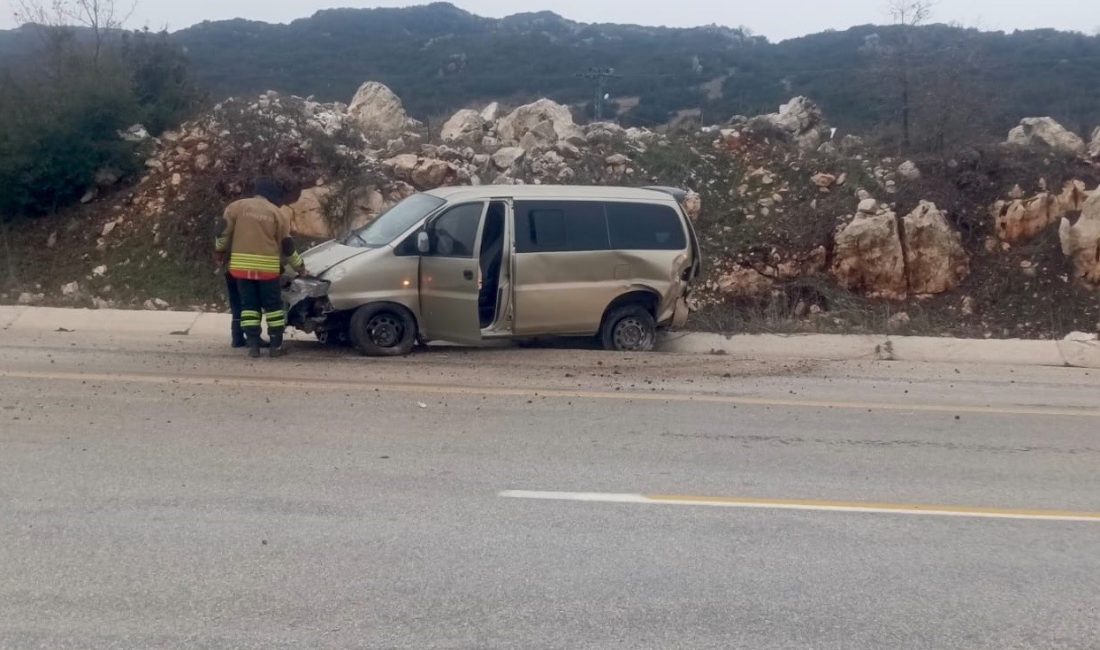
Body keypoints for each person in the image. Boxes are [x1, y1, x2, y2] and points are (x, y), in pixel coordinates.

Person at [214, 177, 304, 358]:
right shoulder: (278, 214)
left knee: (249, 306)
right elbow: (287, 246)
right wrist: (300, 266)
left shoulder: (236, 207)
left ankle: (253, 345)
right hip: (267, 270)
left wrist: (219, 252)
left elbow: (222, 232)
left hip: (241, 268)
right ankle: (275, 346)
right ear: (272, 196)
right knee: (273, 307)